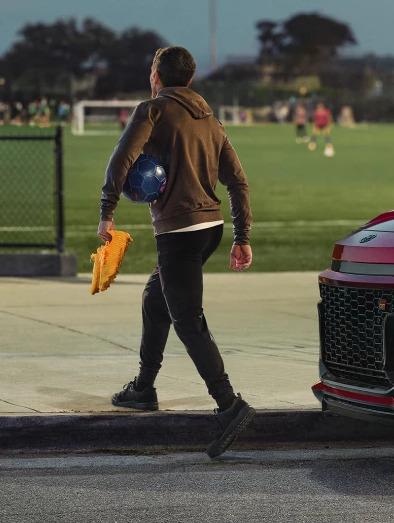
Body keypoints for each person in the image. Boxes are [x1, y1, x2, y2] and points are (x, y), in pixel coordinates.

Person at [98, 46, 256, 458]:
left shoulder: (151, 111)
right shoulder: (211, 119)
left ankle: (229, 405)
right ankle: (143, 388)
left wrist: (107, 212)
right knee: (156, 297)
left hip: (181, 233)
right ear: (191, 77)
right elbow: (238, 183)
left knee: (188, 318)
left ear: (156, 75)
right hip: (212, 231)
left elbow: (121, 160)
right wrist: (241, 237)